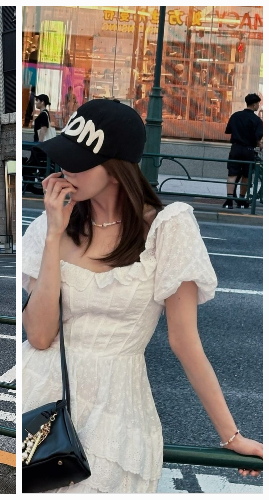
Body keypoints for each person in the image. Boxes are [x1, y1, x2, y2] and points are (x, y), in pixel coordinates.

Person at [22, 99, 263, 493]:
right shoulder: (53, 226)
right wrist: (53, 233)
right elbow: (40, 336)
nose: (65, 169)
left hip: (118, 407)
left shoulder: (168, 228)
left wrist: (231, 436)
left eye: (79, 160)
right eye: (64, 156)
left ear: (117, 169)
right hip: (43, 392)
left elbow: (185, 342)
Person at [223, 93, 263, 209]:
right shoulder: (256, 120)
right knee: (246, 175)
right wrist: (259, 144)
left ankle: (229, 200)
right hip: (248, 150)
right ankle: (241, 199)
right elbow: (258, 138)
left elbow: (228, 130)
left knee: (232, 174)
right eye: (258, 104)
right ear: (255, 104)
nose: (258, 106)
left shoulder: (235, 116)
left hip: (235, 148)